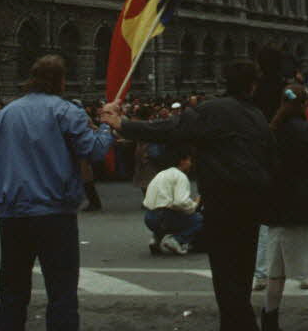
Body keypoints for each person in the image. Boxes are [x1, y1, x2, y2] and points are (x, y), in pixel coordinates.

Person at [103, 60, 273, 331]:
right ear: (253, 86)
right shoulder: (258, 115)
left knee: (226, 277)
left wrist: (123, 124)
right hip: (253, 205)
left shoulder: (214, 110)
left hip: (223, 203)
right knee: (241, 275)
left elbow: (169, 129)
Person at [0, 55, 114, 331]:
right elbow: (94, 150)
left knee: (12, 293)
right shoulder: (66, 111)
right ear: (61, 81)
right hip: (55, 213)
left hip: (13, 214)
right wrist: (107, 125)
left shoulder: (3, 115)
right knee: (62, 293)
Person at [260, 84, 308, 331]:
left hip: (278, 206)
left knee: (276, 271)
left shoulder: (271, 132)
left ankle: (269, 320)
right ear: (304, 104)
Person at [142, 151, 203, 256]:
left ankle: (156, 239)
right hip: (165, 218)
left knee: (166, 209)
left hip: (149, 217)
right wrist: (195, 204)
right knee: (199, 220)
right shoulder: (180, 176)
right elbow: (180, 202)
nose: (191, 164)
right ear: (182, 161)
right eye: (189, 160)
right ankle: (176, 240)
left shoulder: (161, 174)